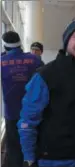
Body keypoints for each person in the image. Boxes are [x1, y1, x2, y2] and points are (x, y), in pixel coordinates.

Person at [17, 19, 75, 167]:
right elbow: (27, 121)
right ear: (66, 40)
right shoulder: (45, 75)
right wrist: (29, 158)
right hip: (51, 159)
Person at [1, 31, 43, 167]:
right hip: (33, 113)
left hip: (12, 114)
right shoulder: (35, 60)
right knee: (33, 145)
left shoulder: (1, 62)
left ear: (5, 46)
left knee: (14, 150)